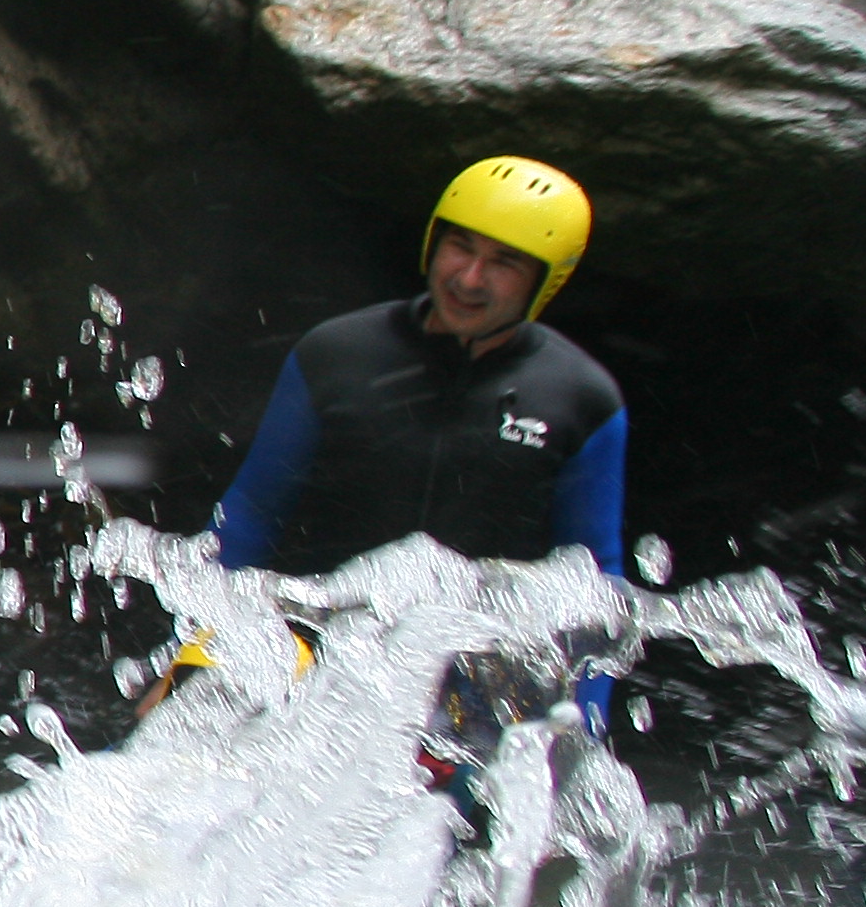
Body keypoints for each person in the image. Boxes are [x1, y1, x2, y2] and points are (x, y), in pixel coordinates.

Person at [162, 157, 626, 737]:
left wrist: (584, 725)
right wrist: (192, 649)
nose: (470, 278)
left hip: (469, 673)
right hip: (313, 638)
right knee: (179, 735)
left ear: (545, 280)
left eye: (504, 263)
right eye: (461, 247)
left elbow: (593, 578)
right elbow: (252, 513)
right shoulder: (337, 353)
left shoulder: (580, 398)